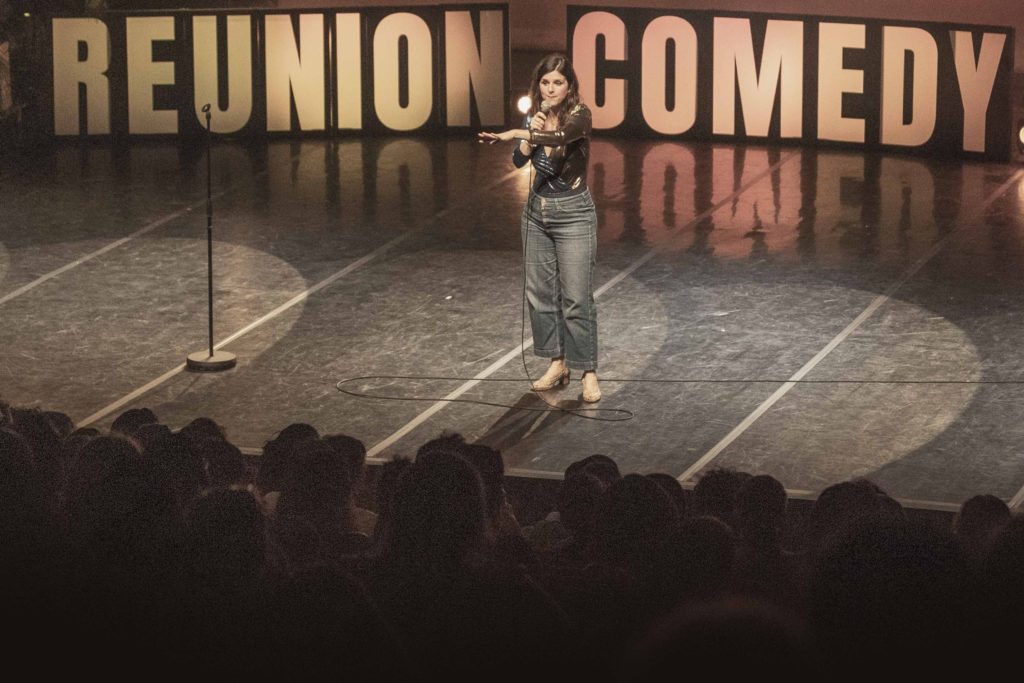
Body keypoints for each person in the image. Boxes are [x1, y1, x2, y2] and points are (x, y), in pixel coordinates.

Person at [478, 53, 601, 402]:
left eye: (558, 82)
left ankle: (588, 371)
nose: (550, 89)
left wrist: (516, 131)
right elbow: (519, 160)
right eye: (545, 82)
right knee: (540, 295)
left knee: (576, 298)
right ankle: (557, 363)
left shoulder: (580, 116)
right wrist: (529, 133)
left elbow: (560, 138)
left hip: (573, 214)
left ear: (569, 86)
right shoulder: (537, 116)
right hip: (536, 213)